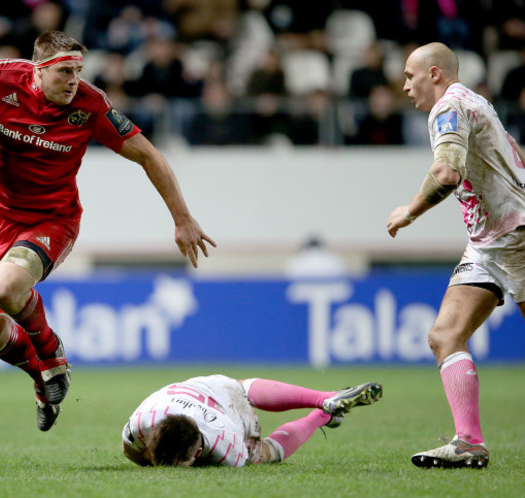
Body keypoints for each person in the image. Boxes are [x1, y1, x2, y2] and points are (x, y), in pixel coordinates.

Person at [0, 30, 216, 432]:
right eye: (64, 71)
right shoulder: (3, 78)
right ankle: (43, 377)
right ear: (38, 71)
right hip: (1, 219)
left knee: (7, 287)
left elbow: (149, 156)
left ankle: (53, 355)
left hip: (54, 220)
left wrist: (182, 219)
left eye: (78, 70)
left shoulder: (90, 106)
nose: (74, 80)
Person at [387, 42, 525, 469]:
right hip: (488, 244)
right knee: (444, 335)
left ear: (434, 73)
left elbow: (447, 172)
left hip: (516, 238)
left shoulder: (447, 107)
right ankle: (469, 442)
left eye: (410, 76)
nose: (405, 86)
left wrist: (409, 211)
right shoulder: (476, 101)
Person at [121, 374, 382, 466]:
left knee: (264, 453)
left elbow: (135, 455)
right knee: (242, 386)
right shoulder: (140, 424)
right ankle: (326, 397)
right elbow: (129, 452)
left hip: (230, 412)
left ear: (198, 451)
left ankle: (322, 415)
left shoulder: (228, 448)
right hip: (203, 387)